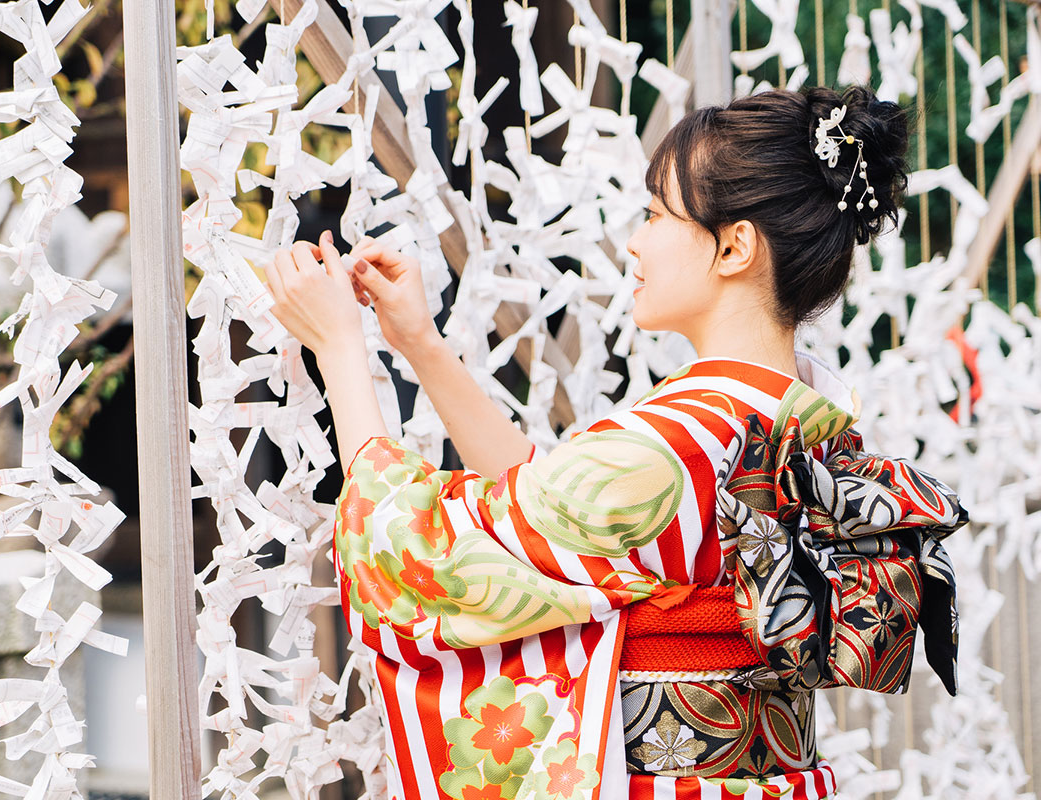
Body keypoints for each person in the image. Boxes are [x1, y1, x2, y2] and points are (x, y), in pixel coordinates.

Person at [265, 86, 965, 800]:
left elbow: (416, 550)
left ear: (734, 246)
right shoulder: (801, 421)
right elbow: (552, 518)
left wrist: (340, 351)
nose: (635, 240)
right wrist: (420, 344)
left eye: (656, 214)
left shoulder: (676, 441)